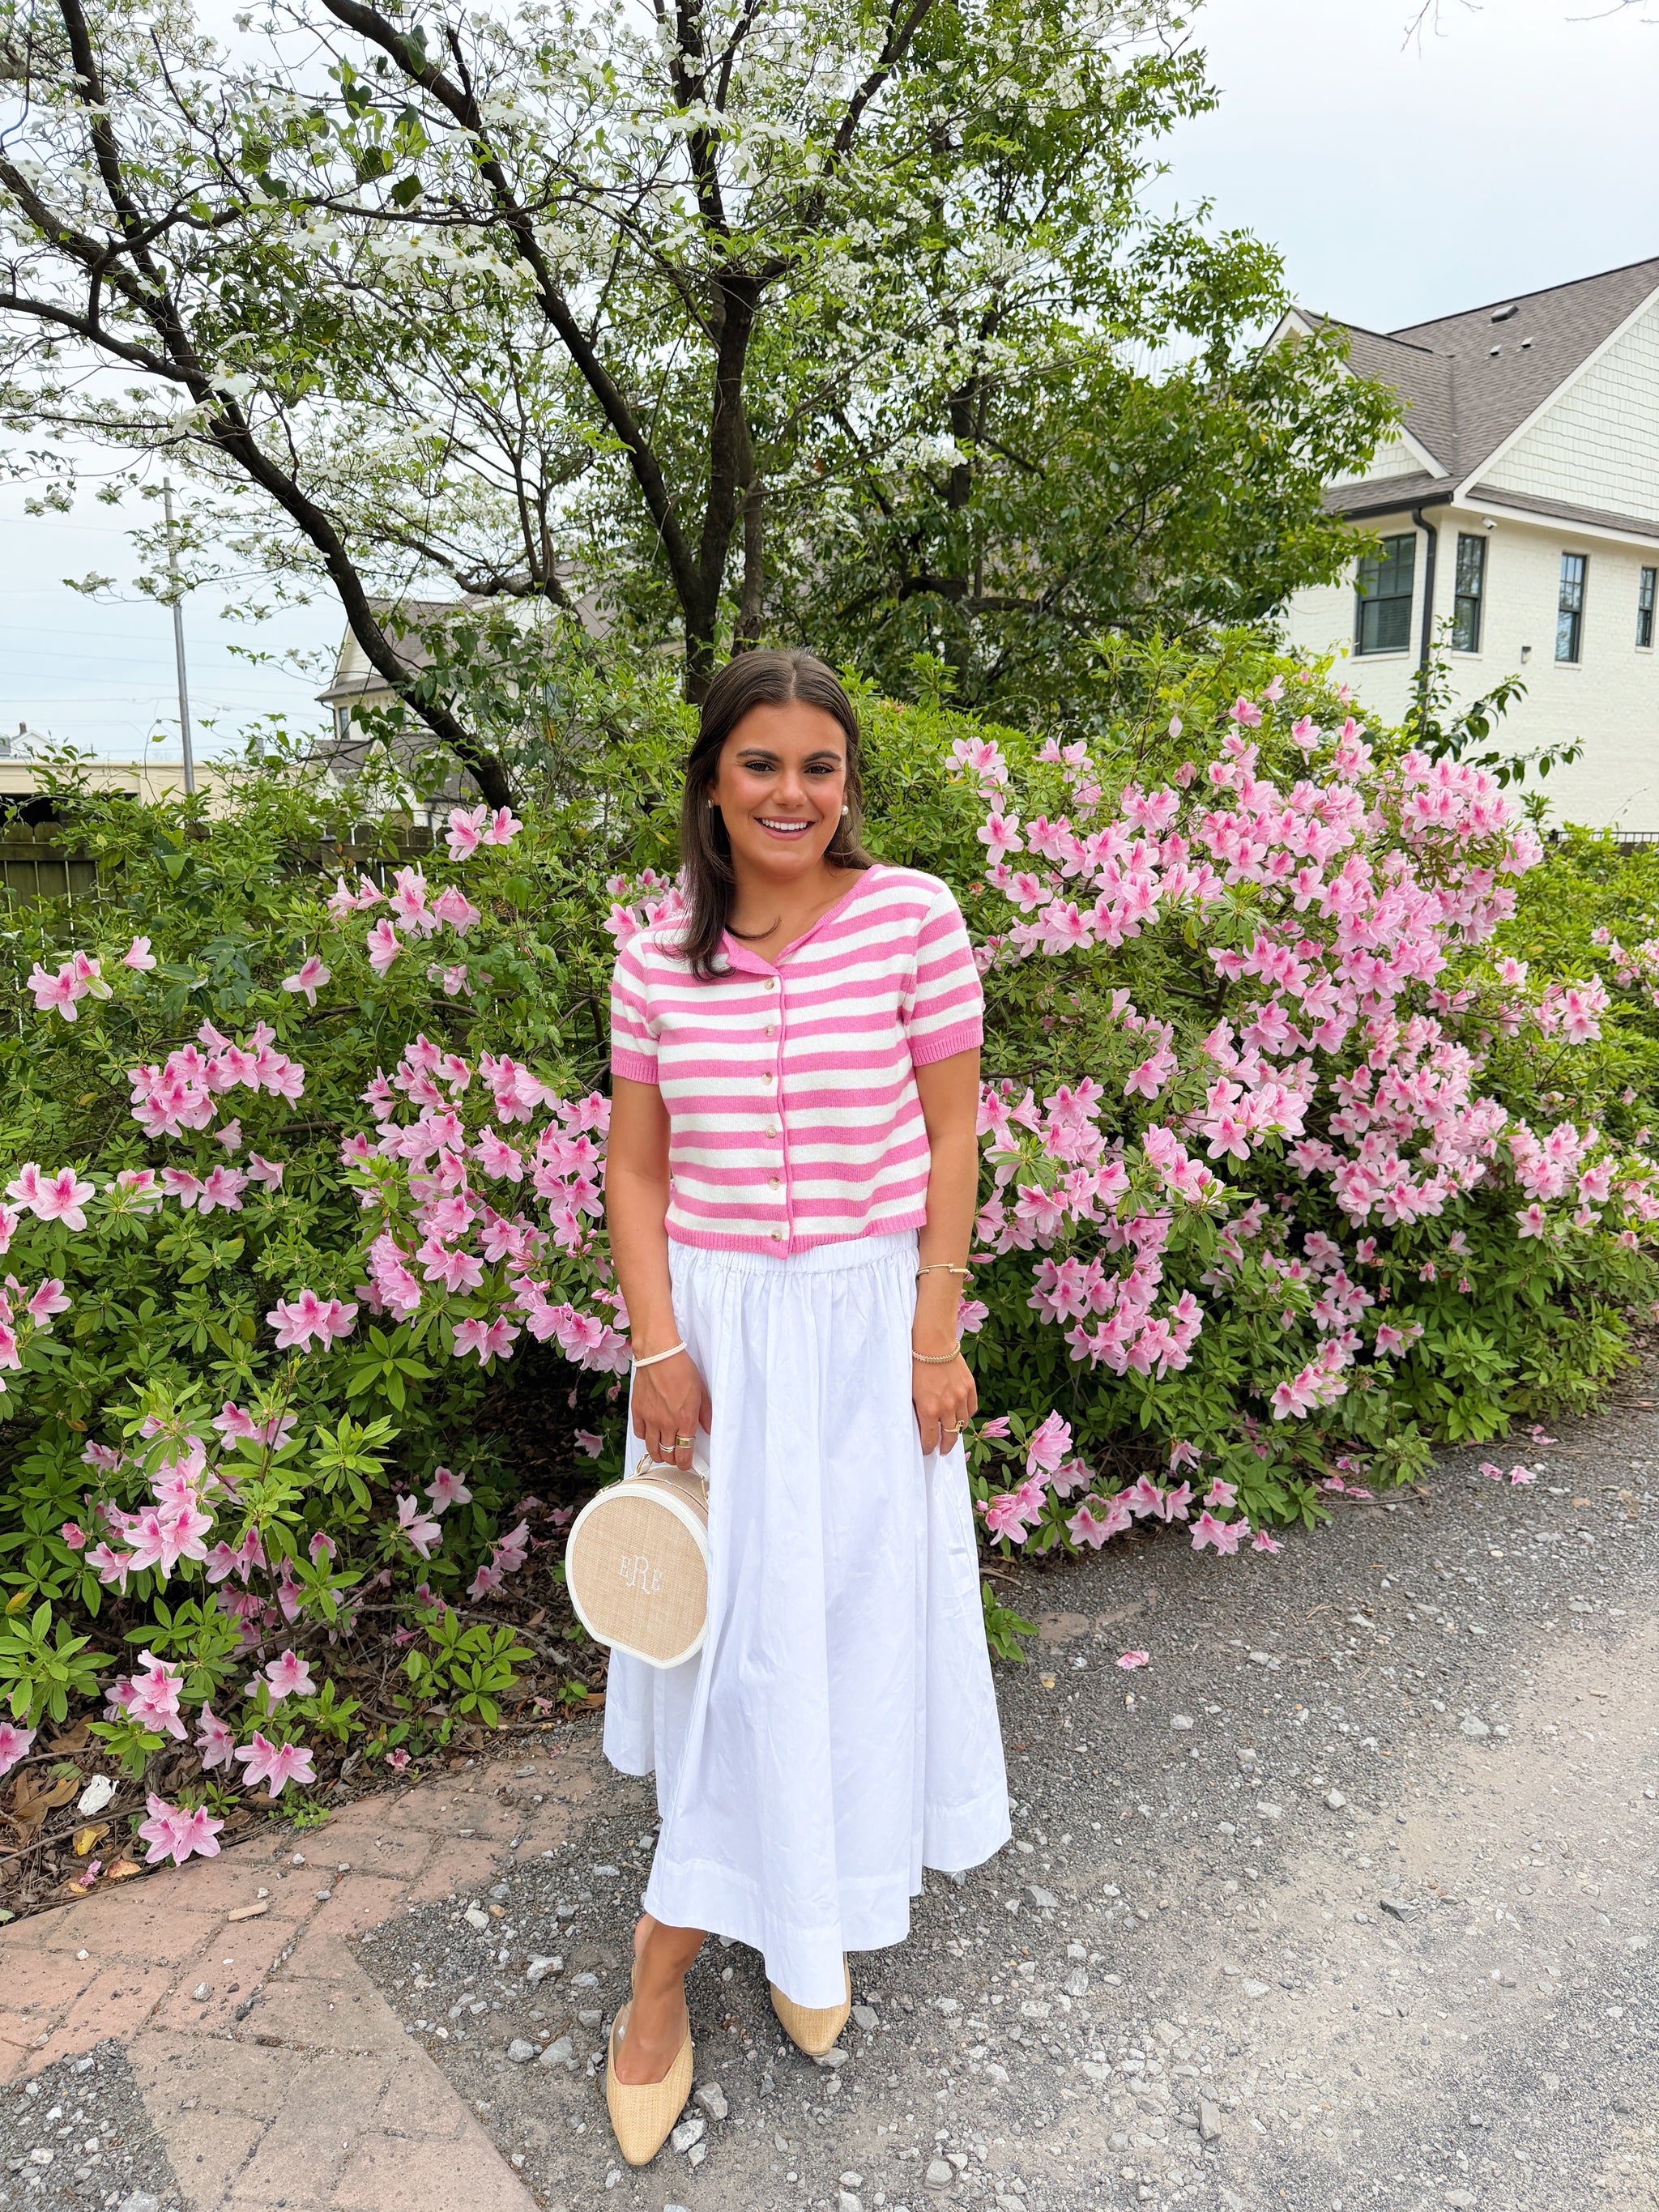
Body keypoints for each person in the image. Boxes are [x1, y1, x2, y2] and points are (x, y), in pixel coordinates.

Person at [599, 649, 1010, 2162]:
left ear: (849, 784)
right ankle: (664, 1975)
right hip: (713, 1333)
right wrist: (655, 1346)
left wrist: (931, 1336)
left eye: (819, 766)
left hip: (862, 1330)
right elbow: (636, 1166)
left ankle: (804, 1931)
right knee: (726, 1644)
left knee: (836, 1634)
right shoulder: (657, 958)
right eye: (761, 763)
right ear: (713, 777)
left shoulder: (913, 916)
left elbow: (955, 1139)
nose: (791, 792)